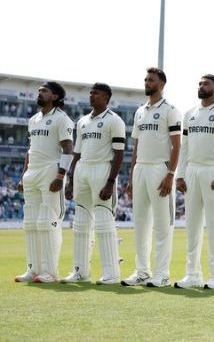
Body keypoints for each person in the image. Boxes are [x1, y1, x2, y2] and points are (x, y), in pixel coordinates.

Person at [174, 74, 214, 289]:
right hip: (192, 171)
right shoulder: (189, 114)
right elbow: (185, 146)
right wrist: (180, 175)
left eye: (206, 84)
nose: (201, 86)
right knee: (192, 227)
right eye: (199, 83)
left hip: (213, 171)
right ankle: (192, 274)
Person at [122, 68, 181, 287]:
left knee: (163, 225)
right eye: (146, 80)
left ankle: (162, 274)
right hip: (141, 169)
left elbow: (177, 145)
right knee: (140, 224)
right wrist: (131, 176)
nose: (147, 83)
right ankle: (142, 272)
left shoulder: (170, 110)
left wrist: (170, 174)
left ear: (162, 84)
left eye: (151, 80)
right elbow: (136, 145)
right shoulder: (140, 111)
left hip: (160, 168)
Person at [62, 83, 126, 285]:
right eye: (90, 93)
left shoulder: (114, 120)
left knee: (104, 222)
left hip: (102, 169)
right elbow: (77, 152)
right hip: (82, 170)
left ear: (106, 97)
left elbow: (119, 154)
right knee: (80, 223)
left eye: (96, 93)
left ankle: (111, 274)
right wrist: (71, 179)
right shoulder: (82, 121)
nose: (91, 96)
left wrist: (110, 182)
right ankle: (80, 271)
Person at [15, 82, 74, 283]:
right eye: (39, 91)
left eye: (44, 91)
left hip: (50, 170)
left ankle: (50, 271)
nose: (39, 94)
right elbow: (30, 150)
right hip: (32, 173)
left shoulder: (62, 119)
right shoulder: (33, 119)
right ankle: (33, 269)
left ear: (55, 96)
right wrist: (24, 175)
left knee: (48, 222)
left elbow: (68, 149)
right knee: (31, 223)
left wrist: (60, 176)